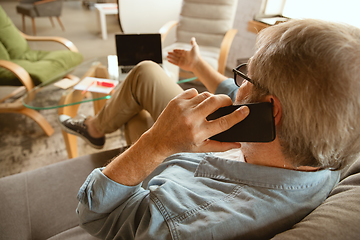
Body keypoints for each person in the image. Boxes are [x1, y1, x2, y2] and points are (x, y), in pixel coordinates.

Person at [72, 19, 360, 239]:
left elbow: (95, 215)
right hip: (225, 146)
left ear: (270, 112)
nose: (238, 82)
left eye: (247, 75)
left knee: (135, 117)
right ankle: (97, 127)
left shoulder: (181, 221)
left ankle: (97, 128)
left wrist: (154, 143)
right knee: (146, 71)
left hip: (168, 164)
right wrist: (197, 65)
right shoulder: (327, 148)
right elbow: (248, 98)